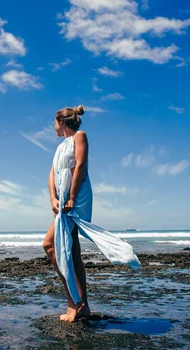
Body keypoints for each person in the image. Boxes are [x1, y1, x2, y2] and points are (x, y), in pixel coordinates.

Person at [42, 105, 142, 322]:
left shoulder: (79, 136)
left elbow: (80, 166)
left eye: (54, 122)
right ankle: (82, 306)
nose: (53, 127)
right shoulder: (59, 147)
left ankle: (73, 303)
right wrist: (53, 198)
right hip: (62, 201)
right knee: (72, 249)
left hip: (76, 199)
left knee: (50, 245)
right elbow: (52, 174)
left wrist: (71, 197)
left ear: (63, 122)